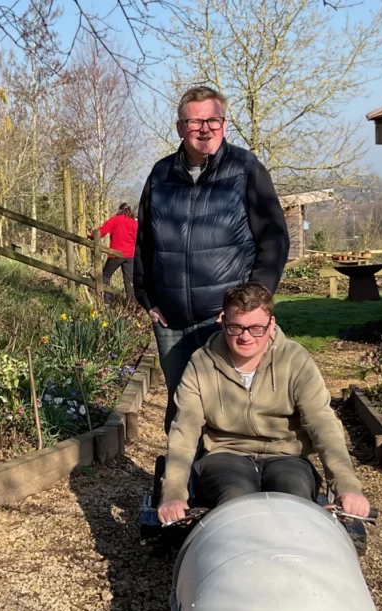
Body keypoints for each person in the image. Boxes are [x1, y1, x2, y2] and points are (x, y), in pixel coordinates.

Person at [133, 85, 290, 431]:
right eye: (195, 122)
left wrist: (249, 308)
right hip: (171, 323)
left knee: (229, 412)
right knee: (182, 412)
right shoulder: (160, 176)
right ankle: (180, 483)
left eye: (214, 120)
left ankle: (226, 481)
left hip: (224, 322)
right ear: (179, 128)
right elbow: (144, 241)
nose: (205, 129)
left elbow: (274, 241)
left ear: (225, 123)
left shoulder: (245, 169)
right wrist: (147, 298)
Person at [157, 282, 370, 523]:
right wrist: (174, 493)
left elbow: (322, 424)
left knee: (293, 497)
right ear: (223, 321)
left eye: (256, 328)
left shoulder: (294, 359)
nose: (246, 336)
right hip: (226, 454)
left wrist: (347, 486)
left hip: (287, 455)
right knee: (236, 500)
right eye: (236, 327)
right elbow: (185, 429)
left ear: (271, 324)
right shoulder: (202, 363)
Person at [91, 203, 138, 302]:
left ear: (120, 210)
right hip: (130, 255)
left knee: (105, 275)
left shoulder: (115, 219)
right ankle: (131, 304)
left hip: (116, 253)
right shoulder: (134, 222)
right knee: (129, 280)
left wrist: (91, 236)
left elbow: (102, 230)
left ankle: (107, 300)